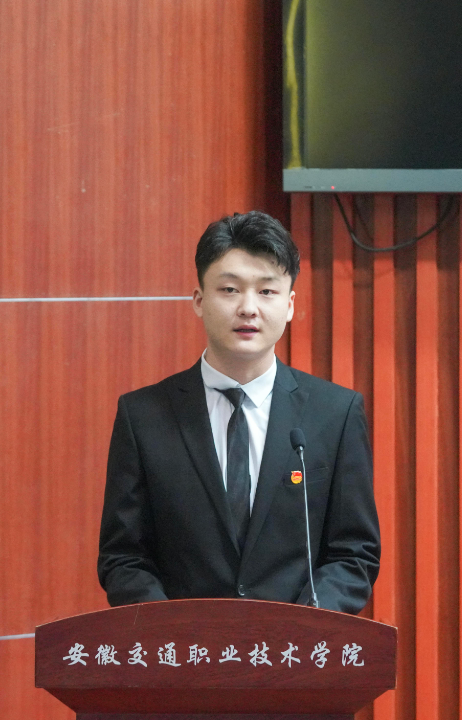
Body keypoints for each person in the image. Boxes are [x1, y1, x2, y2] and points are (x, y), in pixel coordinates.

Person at [97, 210, 379, 614]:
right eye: (230, 289)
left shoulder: (335, 414)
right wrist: (171, 630)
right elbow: (123, 557)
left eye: (267, 291)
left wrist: (304, 627)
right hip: (185, 645)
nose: (249, 308)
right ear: (199, 300)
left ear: (290, 305)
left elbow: (354, 553)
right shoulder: (143, 416)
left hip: (295, 645)